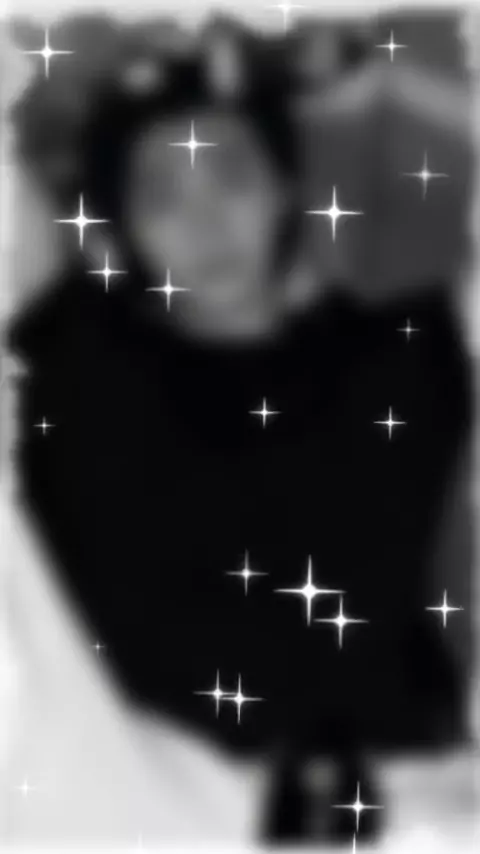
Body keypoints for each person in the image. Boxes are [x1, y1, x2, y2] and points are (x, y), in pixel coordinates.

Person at [7, 19, 473, 844]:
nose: (206, 222)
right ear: (120, 227)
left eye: (230, 178)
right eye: (163, 197)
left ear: (285, 185)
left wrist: (332, 74)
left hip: (413, 796)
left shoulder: (398, 348)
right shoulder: (77, 365)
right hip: (136, 796)